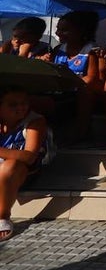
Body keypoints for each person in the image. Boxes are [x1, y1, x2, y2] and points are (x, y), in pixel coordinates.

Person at [0, 87, 51, 241]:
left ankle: (3, 216)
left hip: (24, 172)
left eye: (24, 103)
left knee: (10, 166)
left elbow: (29, 157)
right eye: (13, 104)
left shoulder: (35, 121)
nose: (21, 107)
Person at [49, 10, 103, 141]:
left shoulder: (91, 51)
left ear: (80, 31)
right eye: (58, 29)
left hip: (77, 93)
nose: (58, 33)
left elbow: (91, 78)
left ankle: (81, 134)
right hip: (58, 92)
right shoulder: (57, 50)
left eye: (64, 30)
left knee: (85, 91)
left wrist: (70, 83)